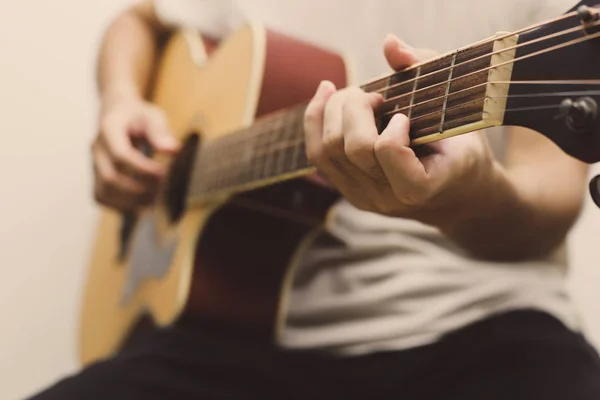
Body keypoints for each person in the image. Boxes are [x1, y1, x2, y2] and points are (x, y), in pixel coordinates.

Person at [30, 0, 600, 399]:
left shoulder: (570, 37)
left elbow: (547, 203)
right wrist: (120, 103)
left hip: (483, 327)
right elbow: (138, 21)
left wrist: (467, 199)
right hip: (240, 331)